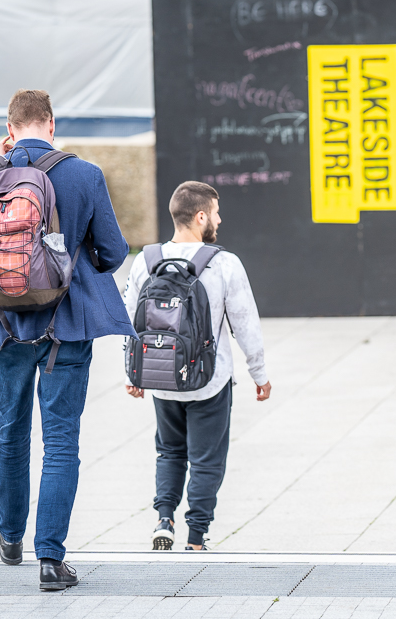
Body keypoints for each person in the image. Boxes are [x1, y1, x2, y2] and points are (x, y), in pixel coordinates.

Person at [0, 90, 133, 590]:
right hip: (66, 328)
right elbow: (115, 252)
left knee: (10, 430)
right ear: (50, 124)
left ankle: (9, 538)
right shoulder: (84, 174)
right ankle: (50, 561)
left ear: (10, 129)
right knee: (60, 442)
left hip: (2, 327)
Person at [124, 181, 271, 551]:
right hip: (209, 380)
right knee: (207, 460)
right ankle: (196, 537)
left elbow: (128, 319)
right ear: (201, 216)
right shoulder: (223, 263)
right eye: (216, 213)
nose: (219, 220)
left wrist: (133, 372)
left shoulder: (145, 260)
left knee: (169, 451)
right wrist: (260, 374)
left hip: (160, 377)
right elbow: (245, 324)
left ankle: (164, 519)